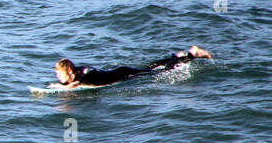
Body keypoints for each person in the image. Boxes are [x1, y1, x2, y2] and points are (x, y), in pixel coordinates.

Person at [49, 45, 212, 89]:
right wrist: (59, 85)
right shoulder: (73, 75)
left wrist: (71, 85)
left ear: (69, 71)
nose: (58, 77)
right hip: (121, 70)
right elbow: (70, 82)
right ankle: (176, 56)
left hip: (123, 74)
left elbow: (85, 78)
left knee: (158, 72)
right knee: (151, 67)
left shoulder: (85, 72)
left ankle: (192, 54)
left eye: (60, 74)